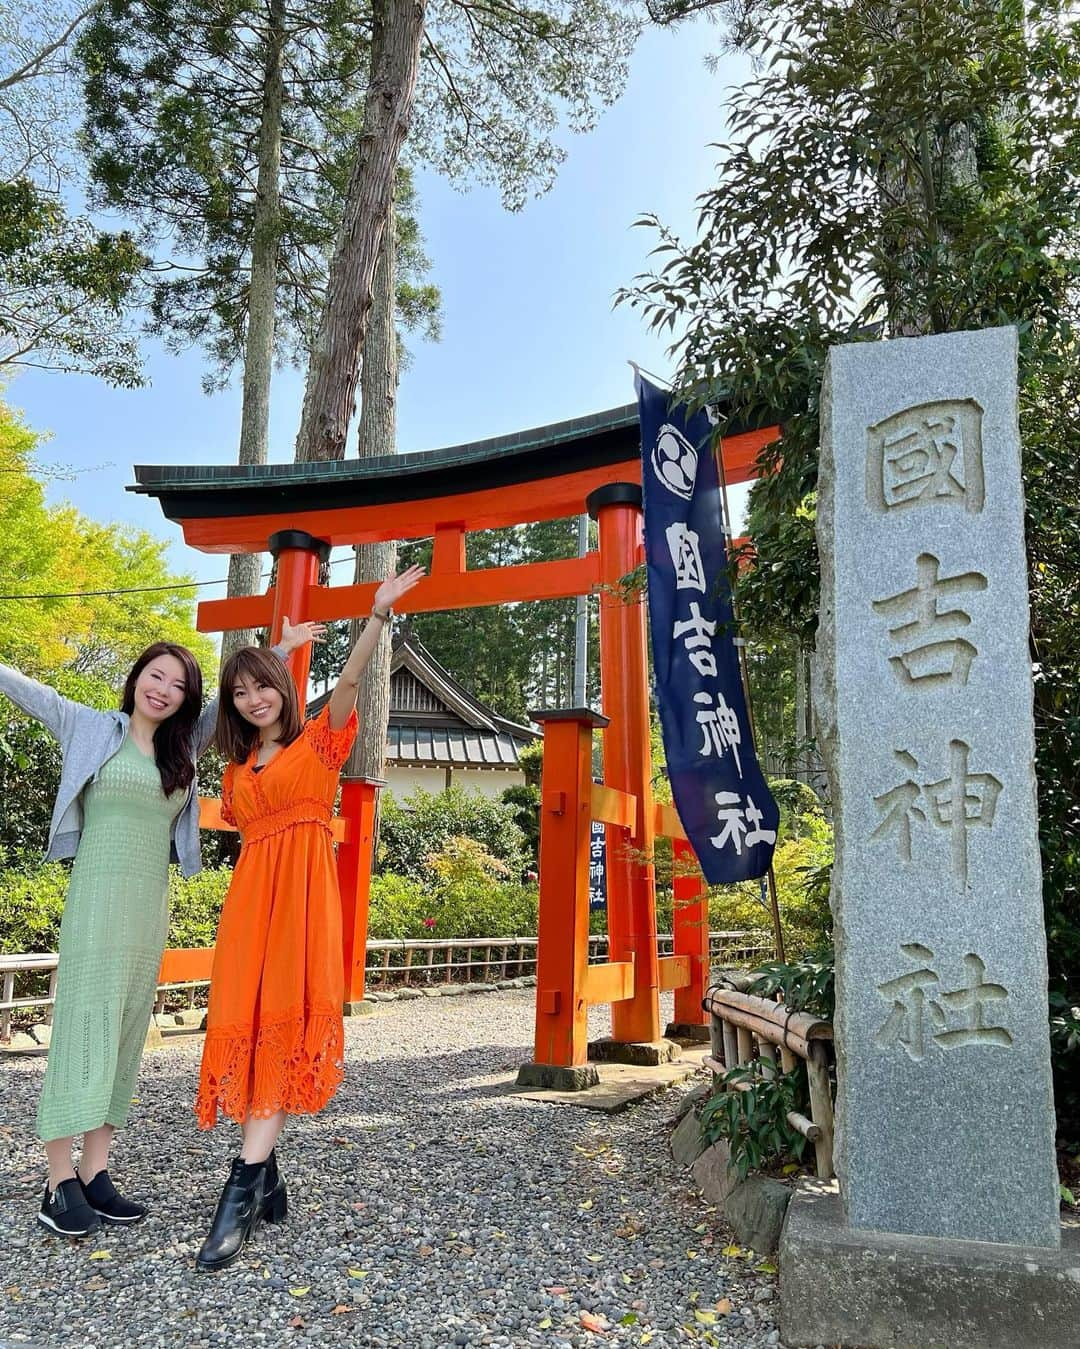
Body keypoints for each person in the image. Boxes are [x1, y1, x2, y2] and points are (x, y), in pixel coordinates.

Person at [0, 626, 320, 1238]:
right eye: (156, 676)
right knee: (82, 1031)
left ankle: (96, 1174)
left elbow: (238, 700)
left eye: (179, 685)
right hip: (95, 904)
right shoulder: (88, 726)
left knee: (124, 1036)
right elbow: (28, 690)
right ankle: (56, 1180)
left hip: (149, 907)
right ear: (137, 678)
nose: (165, 690)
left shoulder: (182, 750)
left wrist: (281, 650)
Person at [194, 565, 424, 1272]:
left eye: (264, 685)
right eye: (240, 690)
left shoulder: (320, 744)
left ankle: (239, 1187)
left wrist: (376, 616)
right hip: (249, 908)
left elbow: (349, 685)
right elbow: (255, 698)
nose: (254, 697)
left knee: (286, 1025)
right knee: (251, 1023)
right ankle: (266, 1177)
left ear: (286, 691)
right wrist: (279, 643)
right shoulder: (236, 771)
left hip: (301, 902)